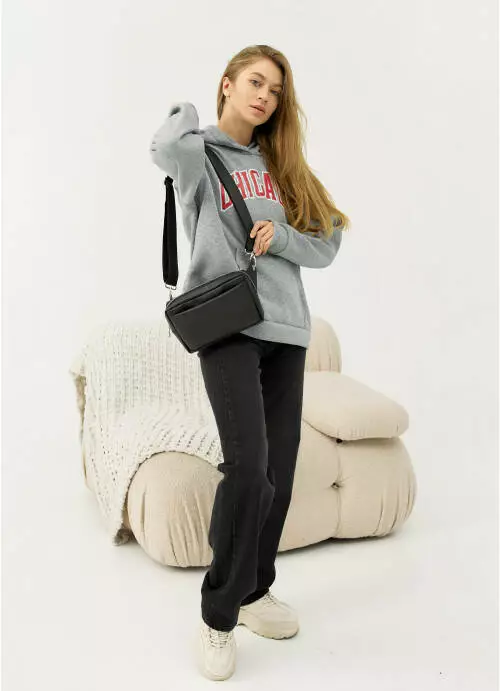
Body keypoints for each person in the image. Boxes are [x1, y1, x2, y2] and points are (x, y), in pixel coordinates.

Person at [150, 43, 350, 681]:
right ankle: (218, 615)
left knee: (279, 474)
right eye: (255, 82)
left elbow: (329, 241)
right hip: (228, 326)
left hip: (288, 331)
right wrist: (194, 113)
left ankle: (255, 589)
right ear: (228, 84)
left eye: (275, 90)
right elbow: (163, 143)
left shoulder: (282, 165)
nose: (265, 97)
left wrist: (284, 236)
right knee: (249, 470)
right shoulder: (199, 156)